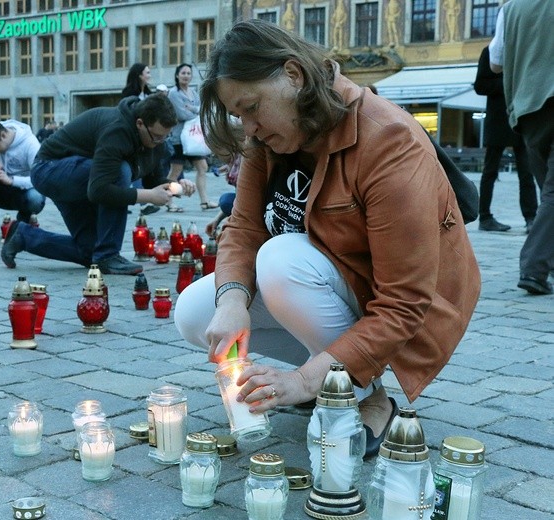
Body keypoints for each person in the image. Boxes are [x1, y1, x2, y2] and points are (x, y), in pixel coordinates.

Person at [174, 19, 481, 457]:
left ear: (294, 76)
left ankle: (368, 397)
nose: (249, 127)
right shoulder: (268, 138)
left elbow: (404, 303)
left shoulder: (388, 139)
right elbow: (243, 228)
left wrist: (299, 382)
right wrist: (231, 302)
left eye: (252, 108)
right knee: (194, 313)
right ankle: (328, 375)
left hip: (403, 303)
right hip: (321, 282)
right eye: (238, 115)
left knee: (281, 261)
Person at [1, 95, 196, 275]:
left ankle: (23, 236)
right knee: (121, 171)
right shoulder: (117, 130)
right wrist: (147, 197)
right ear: (140, 124)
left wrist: (175, 186)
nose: (160, 142)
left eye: (165, 137)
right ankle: (109, 255)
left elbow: (153, 181)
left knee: (90, 252)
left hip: (83, 176)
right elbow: (99, 190)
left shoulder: (155, 139)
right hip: (50, 171)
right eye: (157, 137)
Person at [489, 0, 554, 295]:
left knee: (549, 193)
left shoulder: (511, 8)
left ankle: (544, 260)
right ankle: (534, 267)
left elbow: (496, 61)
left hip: (528, 108)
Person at [474, 46, 537, 233]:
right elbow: (480, 86)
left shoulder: (522, 48)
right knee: (490, 171)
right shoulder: (490, 51)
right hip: (498, 120)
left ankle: (530, 217)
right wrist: (508, 83)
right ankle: (484, 217)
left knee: (527, 172)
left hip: (519, 117)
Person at [166, 63, 217, 212]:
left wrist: (193, 109)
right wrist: (194, 111)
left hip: (194, 138)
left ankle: (204, 201)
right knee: (175, 172)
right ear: (177, 75)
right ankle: (169, 202)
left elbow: (202, 110)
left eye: (189, 73)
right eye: (183, 73)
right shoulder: (173, 93)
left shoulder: (193, 92)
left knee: (203, 167)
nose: (186, 76)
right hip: (179, 139)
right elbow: (182, 114)